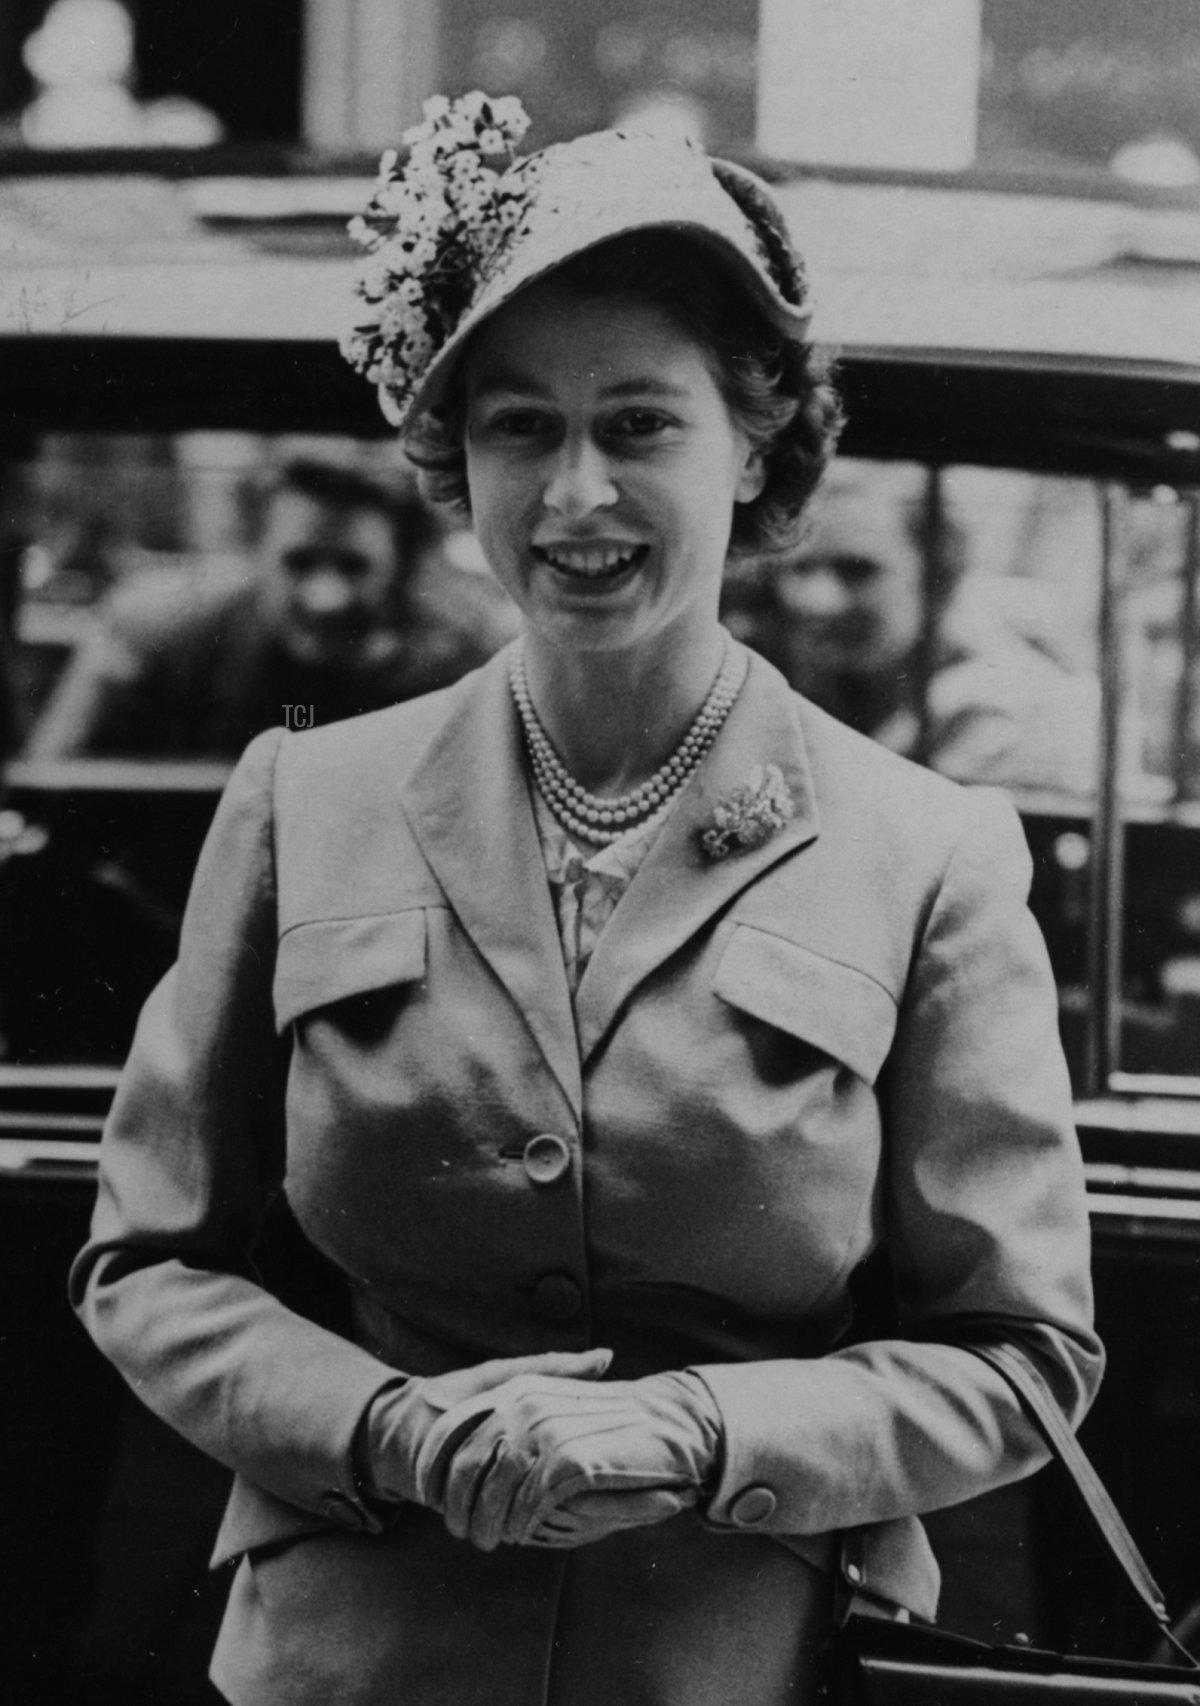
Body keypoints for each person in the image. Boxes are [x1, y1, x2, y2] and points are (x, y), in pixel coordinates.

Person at [70, 92, 1102, 1706]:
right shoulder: (305, 800)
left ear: (755, 441)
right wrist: (391, 1429)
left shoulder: (928, 850)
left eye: (639, 425)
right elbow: (146, 1264)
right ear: (453, 457)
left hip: (748, 1665)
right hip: (353, 1663)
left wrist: (699, 1428)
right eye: (519, 427)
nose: (573, 495)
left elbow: (1024, 1355)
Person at [28, 451, 512, 759]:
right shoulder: (155, 637)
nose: (325, 599)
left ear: (400, 567)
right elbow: (50, 793)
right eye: (299, 562)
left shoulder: (469, 653)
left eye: (354, 566)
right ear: (254, 553)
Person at [724, 459, 1102, 792]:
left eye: (857, 570)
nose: (816, 600)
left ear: (939, 579)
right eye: (801, 569)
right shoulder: (809, 683)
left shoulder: (1004, 711)